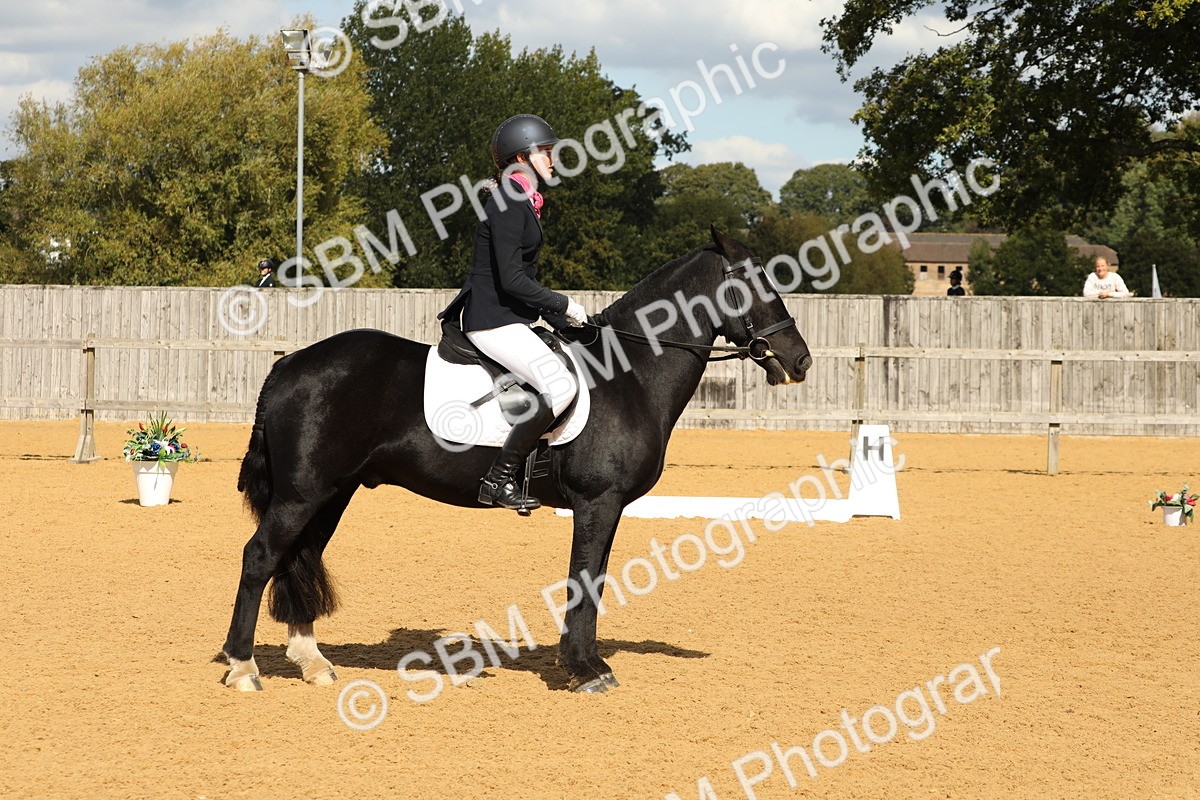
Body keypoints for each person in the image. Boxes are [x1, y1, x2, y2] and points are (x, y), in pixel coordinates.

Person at [438, 114, 588, 513]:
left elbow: (524, 278)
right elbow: (512, 280)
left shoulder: (522, 200)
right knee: (561, 386)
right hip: (492, 320)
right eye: (546, 152)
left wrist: (561, 321)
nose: (553, 159)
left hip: (510, 316)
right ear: (522, 157)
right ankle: (498, 479)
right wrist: (563, 304)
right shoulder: (508, 201)